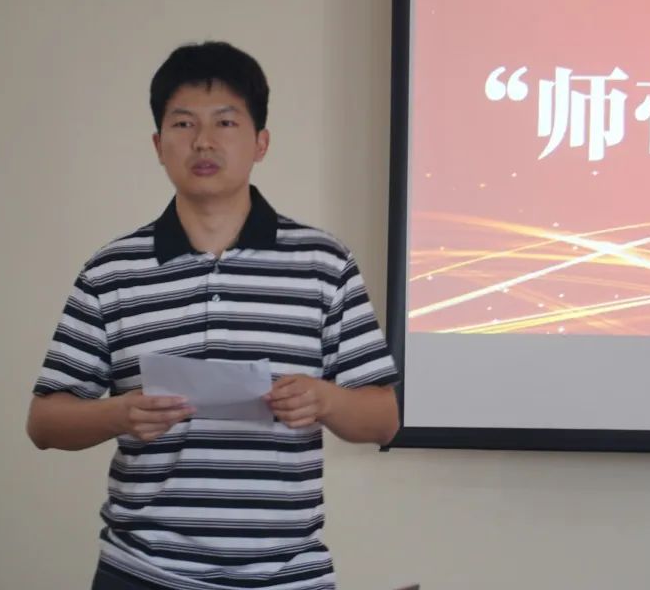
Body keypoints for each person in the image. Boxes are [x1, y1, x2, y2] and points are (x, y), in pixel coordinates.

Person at [26, 41, 400, 590]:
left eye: (225, 122)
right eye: (183, 124)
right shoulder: (112, 271)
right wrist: (120, 414)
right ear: (158, 145)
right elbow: (44, 422)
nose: (203, 141)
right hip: (142, 572)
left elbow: (383, 418)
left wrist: (325, 400)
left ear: (261, 142)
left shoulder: (323, 264)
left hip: (285, 576)